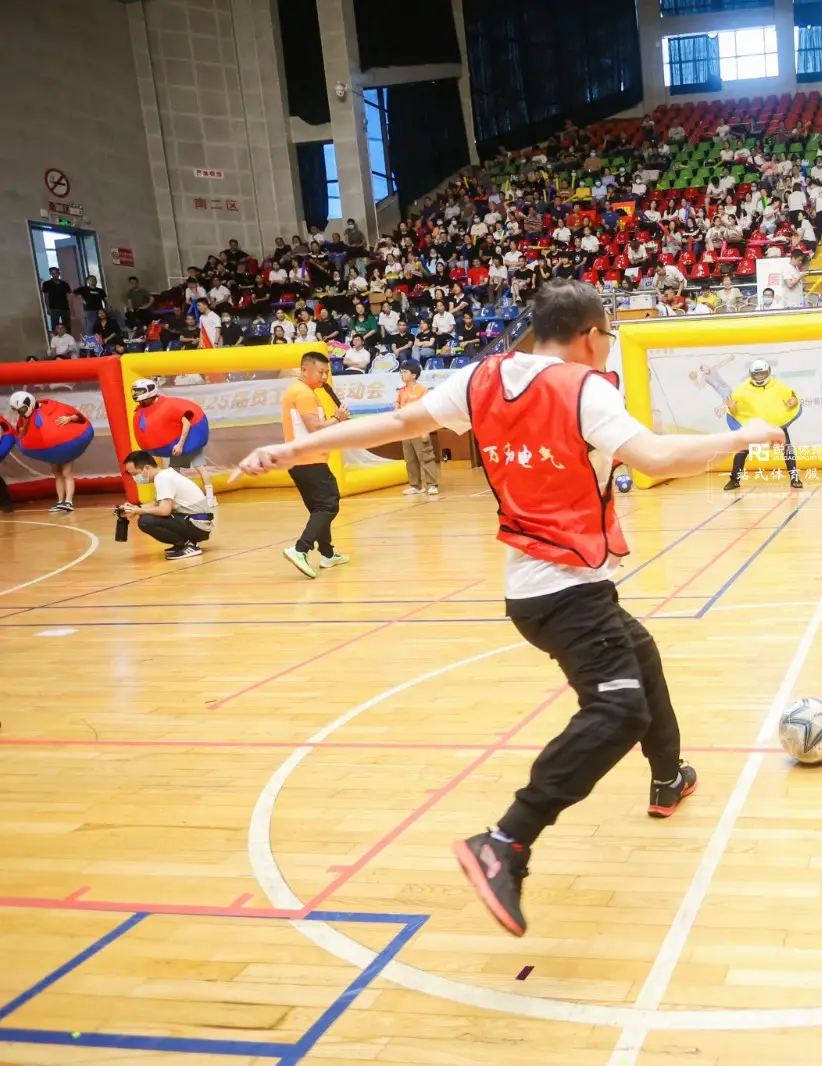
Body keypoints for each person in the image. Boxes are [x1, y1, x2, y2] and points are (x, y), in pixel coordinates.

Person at [236, 280, 785, 937]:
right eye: (608, 337)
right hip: (567, 592)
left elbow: (397, 424)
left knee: (640, 655)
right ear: (591, 337)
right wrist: (746, 435)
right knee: (618, 709)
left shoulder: (480, 378)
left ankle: (669, 776)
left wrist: (292, 450)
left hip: (534, 588)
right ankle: (505, 840)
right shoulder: (585, 388)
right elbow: (658, 457)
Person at [279, 351, 351, 577]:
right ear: (304, 370)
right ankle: (301, 549)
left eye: (326, 373)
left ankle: (327, 553)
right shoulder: (303, 394)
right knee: (329, 505)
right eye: (320, 372)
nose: (324, 377)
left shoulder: (302, 391)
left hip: (300, 460)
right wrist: (338, 418)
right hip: (309, 460)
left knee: (318, 509)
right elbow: (315, 428)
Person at [115, 450, 215, 560]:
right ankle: (183, 544)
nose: (135, 478)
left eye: (135, 474)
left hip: (197, 526)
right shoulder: (165, 475)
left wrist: (138, 511)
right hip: (198, 524)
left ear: (147, 468)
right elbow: (156, 503)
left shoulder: (163, 478)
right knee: (147, 516)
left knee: (146, 521)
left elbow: (164, 510)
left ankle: (187, 544)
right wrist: (133, 508)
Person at [9, 391, 92, 513]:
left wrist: (69, 418)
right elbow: (21, 434)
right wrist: (26, 425)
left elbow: (79, 417)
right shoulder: (25, 417)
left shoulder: (53, 406)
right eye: (18, 410)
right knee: (57, 474)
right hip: (49, 449)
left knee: (67, 472)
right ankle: (60, 501)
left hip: (65, 445)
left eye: (22, 409)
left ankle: (68, 501)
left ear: (28, 404)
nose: (21, 412)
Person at [724, 359, 802, 490]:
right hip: (753, 426)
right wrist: (732, 408)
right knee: (741, 451)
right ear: (751, 374)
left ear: (768, 372)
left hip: (775, 424)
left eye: (762, 374)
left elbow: (792, 396)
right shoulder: (742, 389)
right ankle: (734, 480)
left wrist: (793, 401)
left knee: (787, 449)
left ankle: (795, 479)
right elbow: (736, 410)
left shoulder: (778, 385)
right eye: (756, 374)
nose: (760, 377)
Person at [129, 379, 212, 495]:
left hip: (188, 441)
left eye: (140, 392)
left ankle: (210, 497)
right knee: (173, 472)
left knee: (200, 468)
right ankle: (178, 496)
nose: (139, 397)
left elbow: (187, 423)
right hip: (175, 444)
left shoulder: (169, 405)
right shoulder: (143, 409)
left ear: (150, 392)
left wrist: (180, 444)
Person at [395, 361, 439, 496]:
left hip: (419, 428)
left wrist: (425, 430)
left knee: (426, 457)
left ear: (414, 375)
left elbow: (426, 411)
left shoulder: (422, 390)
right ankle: (415, 486)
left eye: (405, 372)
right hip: (406, 430)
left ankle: (432, 485)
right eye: (401, 372)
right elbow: (397, 407)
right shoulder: (401, 391)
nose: (402, 374)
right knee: (410, 459)